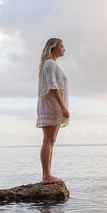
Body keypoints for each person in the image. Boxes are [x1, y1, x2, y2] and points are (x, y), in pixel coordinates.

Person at [36, 38, 70, 184]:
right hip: (52, 105)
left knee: (51, 141)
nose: (64, 49)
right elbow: (53, 86)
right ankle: (46, 176)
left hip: (54, 105)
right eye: (61, 46)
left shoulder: (52, 64)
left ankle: (47, 175)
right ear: (53, 48)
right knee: (48, 140)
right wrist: (63, 107)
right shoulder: (49, 63)